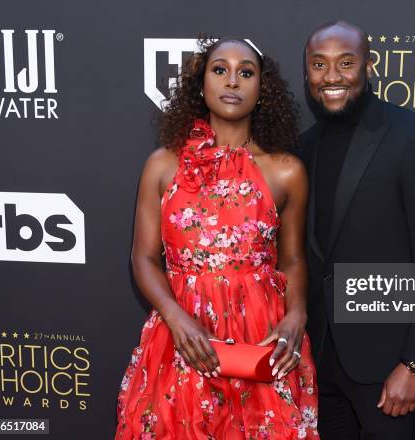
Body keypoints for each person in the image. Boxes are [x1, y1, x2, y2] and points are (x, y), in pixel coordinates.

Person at [115, 37, 318, 439]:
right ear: (201, 84)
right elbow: (143, 257)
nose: (232, 82)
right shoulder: (162, 164)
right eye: (219, 69)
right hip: (183, 336)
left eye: (246, 73)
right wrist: (174, 317)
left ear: (262, 91)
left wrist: (297, 314)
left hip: (263, 338)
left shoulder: (286, 171)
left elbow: (293, 259)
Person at [299, 21, 415, 439]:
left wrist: (414, 364)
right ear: (307, 74)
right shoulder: (304, 146)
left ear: (369, 67)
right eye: (319, 65)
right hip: (321, 363)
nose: (331, 76)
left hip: (387, 369)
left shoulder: (412, 137)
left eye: (346, 63)